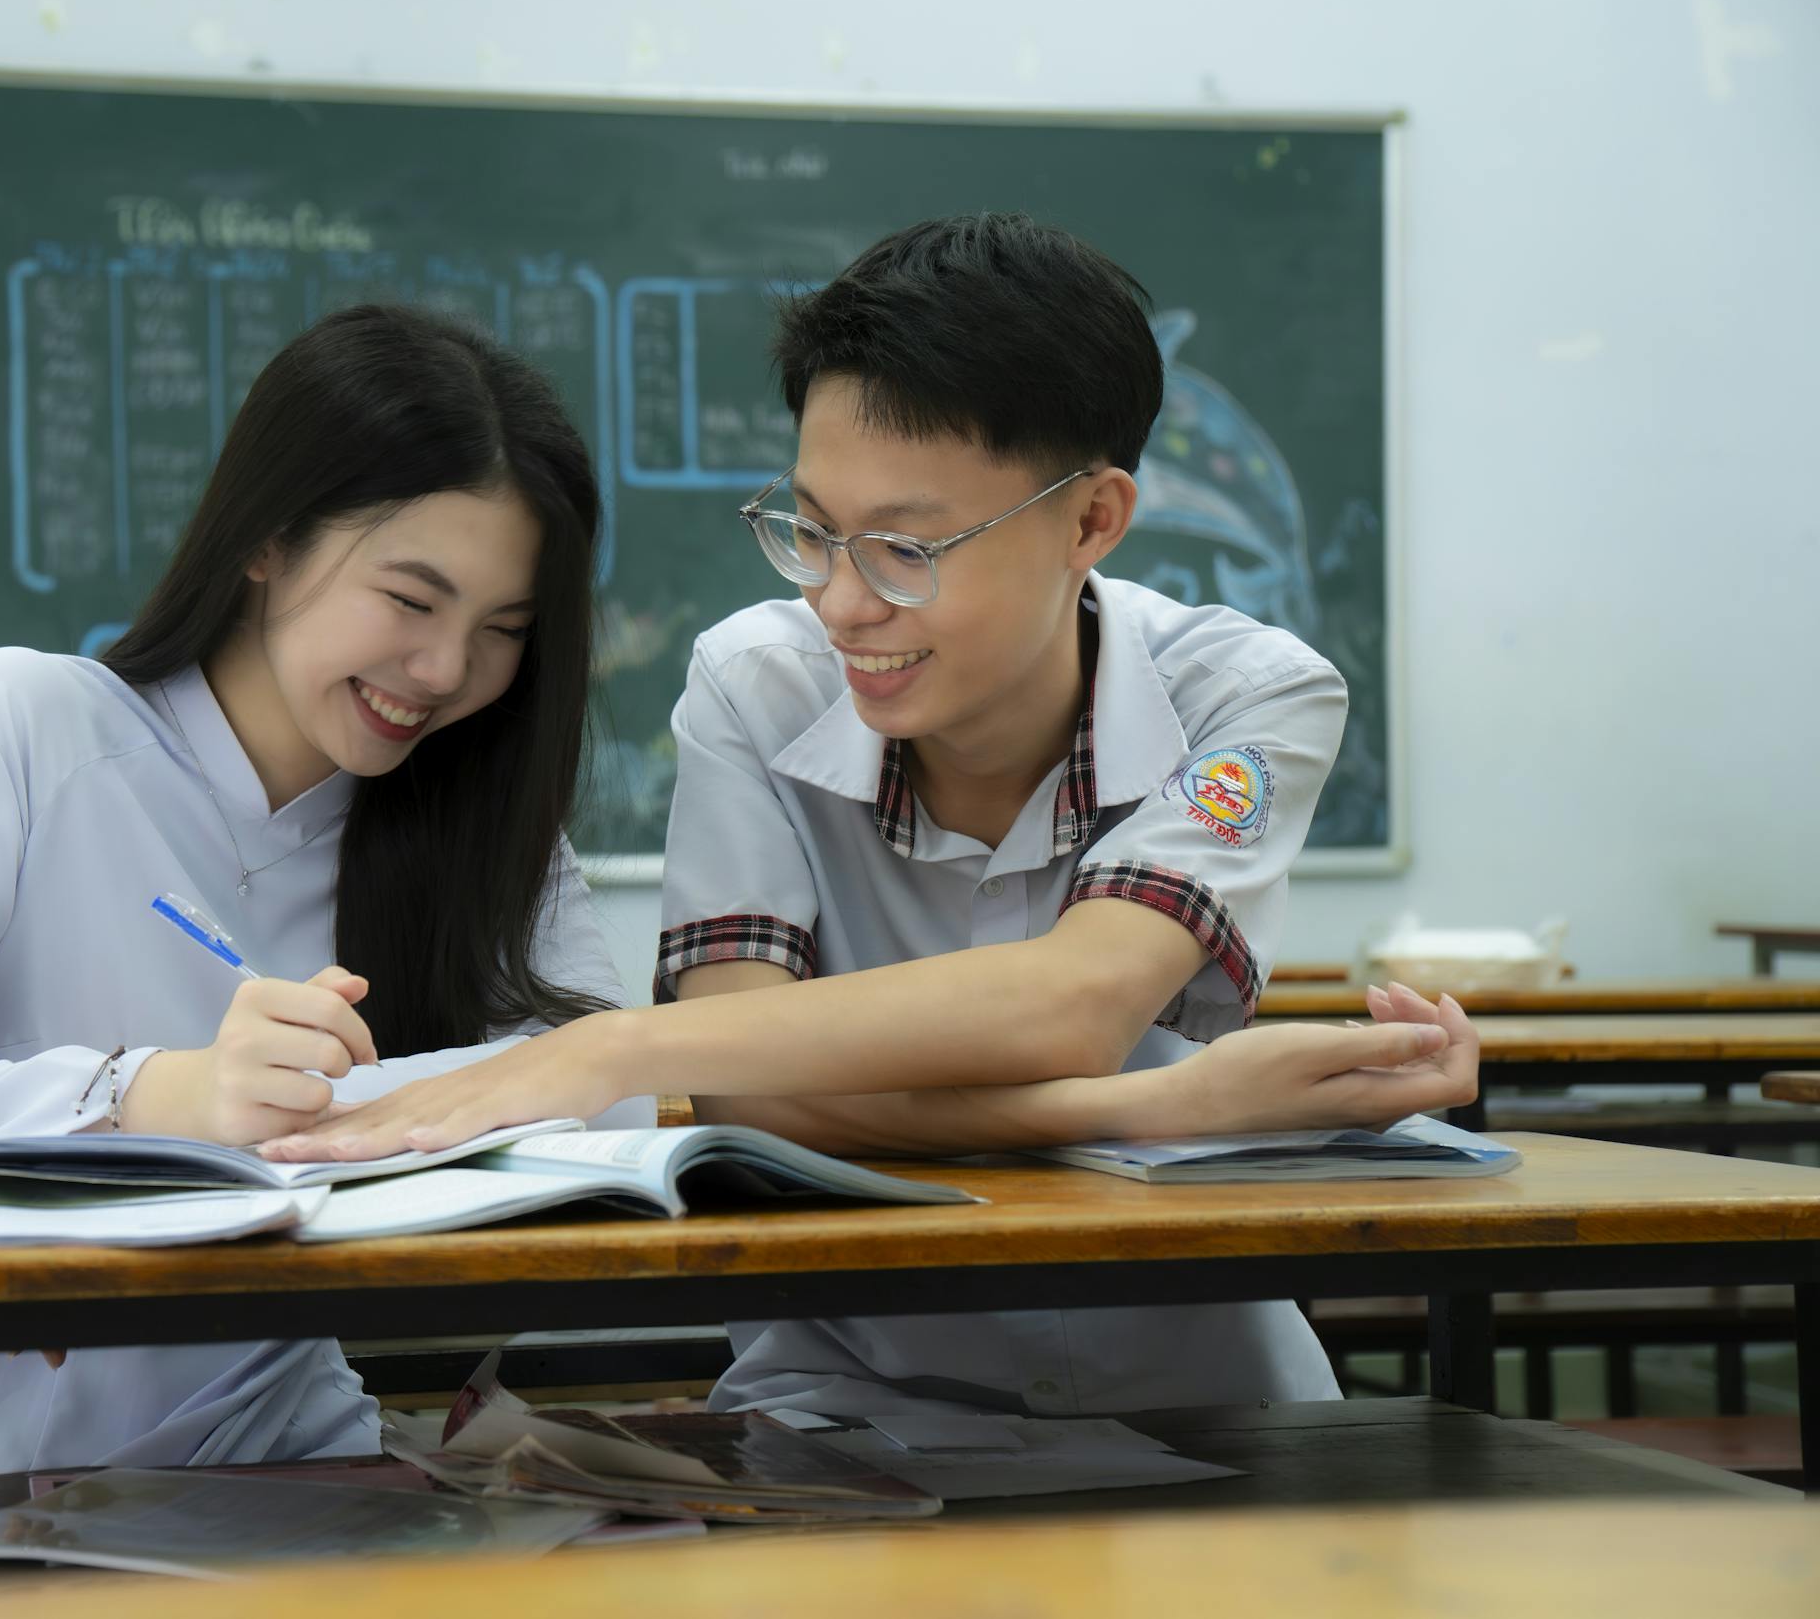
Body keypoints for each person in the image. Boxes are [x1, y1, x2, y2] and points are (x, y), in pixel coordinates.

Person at [263, 215, 1478, 1419]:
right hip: (847, 1404)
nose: (843, 601)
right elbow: (749, 1092)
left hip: (1211, 1392)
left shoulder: (1248, 692)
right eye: (811, 530)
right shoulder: (756, 681)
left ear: (1092, 519)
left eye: (906, 546)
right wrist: (1157, 1105)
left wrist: (608, 1047)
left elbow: (1067, 1003)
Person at [0, 303, 653, 1484]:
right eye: (410, 600)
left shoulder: (479, 827)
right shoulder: (29, 727)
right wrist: (149, 1094)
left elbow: (614, 1111)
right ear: (268, 536)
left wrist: (318, 1115)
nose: (443, 673)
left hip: (282, 1467)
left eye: (502, 631)